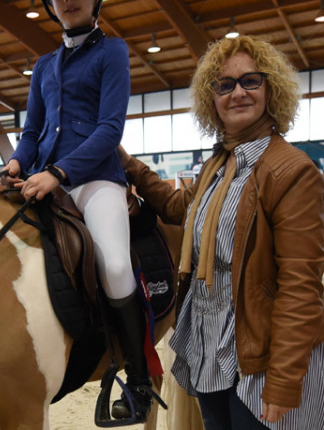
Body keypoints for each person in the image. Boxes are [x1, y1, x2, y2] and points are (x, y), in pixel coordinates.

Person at [118, 36, 324, 429]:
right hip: (210, 350)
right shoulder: (217, 166)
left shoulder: (292, 171)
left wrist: (283, 381)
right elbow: (181, 208)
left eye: (251, 80)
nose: (238, 92)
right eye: (225, 85)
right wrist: (131, 166)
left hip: (260, 359)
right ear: (212, 100)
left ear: (271, 89)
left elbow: (301, 286)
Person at [1, 0, 150, 421]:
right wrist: (16, 164)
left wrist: (59, 174)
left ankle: (140, 380)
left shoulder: (114, 52)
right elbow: (31, 132)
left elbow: (110, 129)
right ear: (49, 2)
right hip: (41, 175)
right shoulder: (44, 65)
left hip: (92, 180)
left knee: (115, 265)